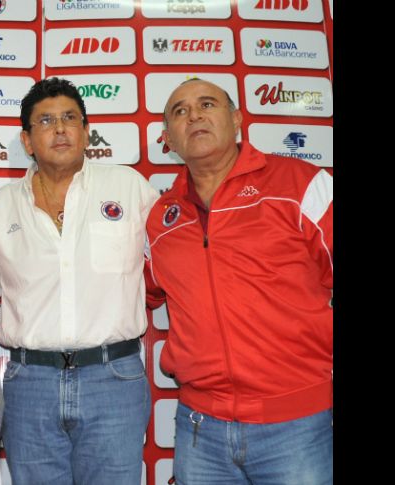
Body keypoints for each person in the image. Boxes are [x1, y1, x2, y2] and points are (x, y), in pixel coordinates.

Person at [0, 78, 159, 484]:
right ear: (27, 140)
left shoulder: (128, 187)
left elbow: (173, 261)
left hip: (113, 379)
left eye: (70, 118)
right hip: (30, 384)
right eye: (46, 120)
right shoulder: (3, 206)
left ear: (86, 132)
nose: (59, 128)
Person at [145, 78, 333, 484]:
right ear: (169, 140)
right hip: (199, 427)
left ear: (236, 120)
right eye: (180, 111)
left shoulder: (299, 183)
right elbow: (133, 292)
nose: (194, 115)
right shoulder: (160, 218)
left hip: (297, 423)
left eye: (207, 104)